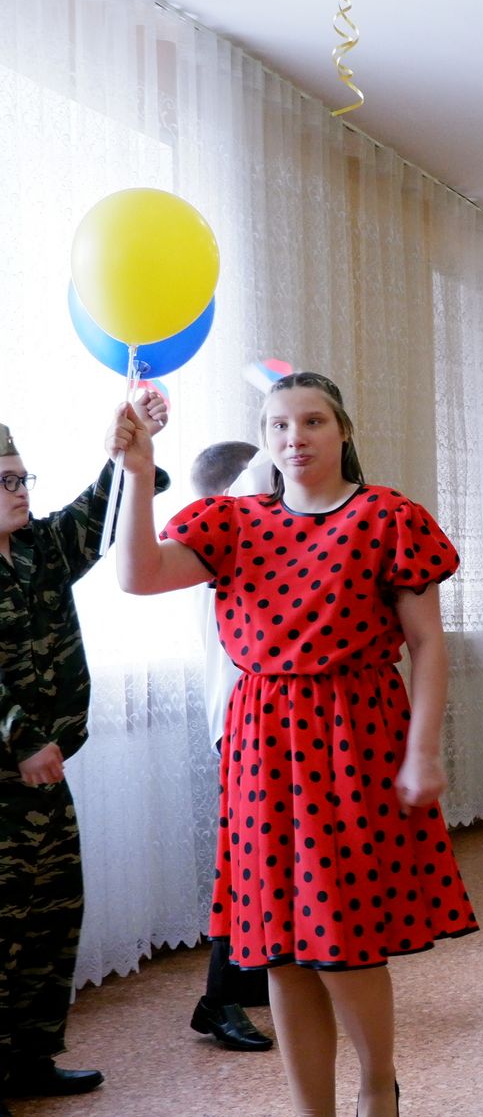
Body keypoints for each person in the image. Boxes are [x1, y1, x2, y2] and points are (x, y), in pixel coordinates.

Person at [109, 372, 479, 1117]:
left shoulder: (386, 518)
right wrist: (137, 473)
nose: (294, 437)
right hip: (263, 743)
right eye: (279, 424)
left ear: (342, 430)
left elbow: (427, 644)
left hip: (354, 735)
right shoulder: (234, 521)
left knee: (342, 939)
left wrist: (423, 749)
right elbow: (137, 574)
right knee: (279, 949)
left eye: (312, 421)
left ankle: (376, 1081)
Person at [0, 391, 168, 1117]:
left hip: (47, 777)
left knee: (50, 917)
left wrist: (129, 448)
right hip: (10, 772)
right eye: (7, 481)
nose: (22, 491)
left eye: (24, 478)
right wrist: (21, 738)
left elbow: (103, 517)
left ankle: (30, 1059)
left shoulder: (37, 548)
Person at [184, 441, 273, 1052]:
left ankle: (255, 978)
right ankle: (218, 1000)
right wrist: (290, 400)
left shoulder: (238, 539)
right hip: (245, 721)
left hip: (259, 718)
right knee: (248, 865)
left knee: (270, 857)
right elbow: (265, 467)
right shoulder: (225, 535)